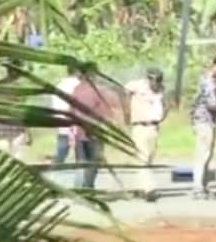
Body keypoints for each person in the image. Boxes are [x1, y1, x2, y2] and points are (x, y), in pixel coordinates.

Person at [70, 66, 128, 190]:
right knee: (94, 161)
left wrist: (71, 132)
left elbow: (71, 111)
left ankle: (79, 187)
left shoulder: (76, 90)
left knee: (81, 161)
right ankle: (88, 187)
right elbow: (104, 112)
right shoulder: (98, 90)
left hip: (79, 131)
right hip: (95, 131)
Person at [125, 67, 167, 201]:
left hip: (154, 127)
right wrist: (129, 109)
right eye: (153, 80)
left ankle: (141, 188)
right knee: (142, 158)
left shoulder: (161, 90)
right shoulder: (137, 86)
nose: (156, 83)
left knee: (149, 159)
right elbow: (125, 91)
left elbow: (165, 105)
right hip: (140, 125)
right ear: (148, 79)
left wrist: (162, 117)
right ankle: (150, 189)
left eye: (158, 80)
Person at [190, 56, 216, 200]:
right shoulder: (208, 82)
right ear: (214, 66)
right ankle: (198, 187)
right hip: (204, 120)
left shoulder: (212, 81)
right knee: (202, 154)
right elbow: (212, 104)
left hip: (209, 120)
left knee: (207, 154)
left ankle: (203, 185)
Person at [0, 63, 30, 161]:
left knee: (0, 162)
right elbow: (22, 111)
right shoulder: (19, 88)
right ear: (15, 72)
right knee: (18, 162)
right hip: (16, 128)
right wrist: (28, 131)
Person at [52, 65, 83, 165]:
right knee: (81, 150)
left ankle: (54, 170)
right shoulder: (79, 85)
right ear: (78, 72)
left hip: (60, 119)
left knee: (62, 148)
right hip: (76, 120)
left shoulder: (59, 85)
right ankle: (81, 172)